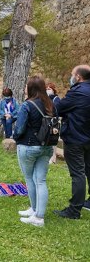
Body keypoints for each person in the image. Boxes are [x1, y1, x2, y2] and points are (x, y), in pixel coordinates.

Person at [13, 76, 54, 227]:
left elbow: (20, 128)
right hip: (46, 146)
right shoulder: (50, 104)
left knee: (30, 179)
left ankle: (36, 213)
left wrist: (15, 137)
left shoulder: (27, 105)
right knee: (41, 180)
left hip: (28, 146)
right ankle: (37, 213)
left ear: (30, 88)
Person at [53, 65, 90, 219]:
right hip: (87, 136)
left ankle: (74, 210)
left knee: (78, 174)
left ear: (78, 77)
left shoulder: (77, 92)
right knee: (88, 169)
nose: (71, 77)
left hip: (76, 138)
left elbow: (59, 108)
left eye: (72, 74)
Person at [46, 82, 60, 164]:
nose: (48, 90)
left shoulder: (56, 99)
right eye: (46, 89)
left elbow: (57, 110)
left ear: (53, 90)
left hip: (54, 121)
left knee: (53, 140)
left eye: (49, 89)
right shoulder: (44, 99)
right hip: (46, 121)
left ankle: (53, 157)